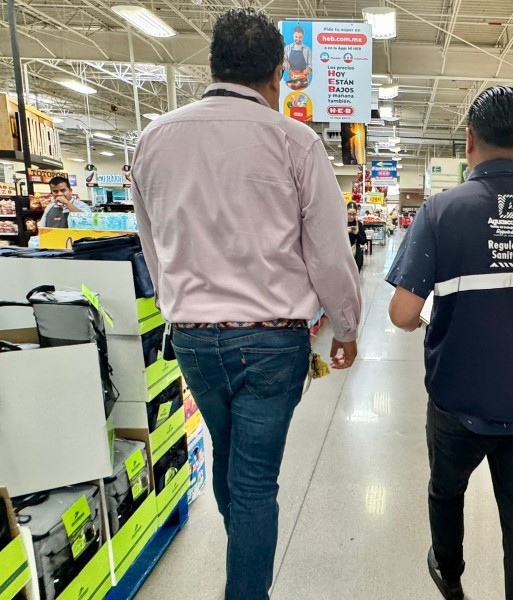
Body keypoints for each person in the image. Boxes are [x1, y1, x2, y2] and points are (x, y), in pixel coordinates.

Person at [130, 9, 361, 600]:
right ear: (278, 74)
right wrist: (345, 325)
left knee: (229, 459)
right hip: (271, 341)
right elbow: (328, 252)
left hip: (193, 339)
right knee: (255, 481)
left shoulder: (154, 139)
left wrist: (176, 301)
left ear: (213, 66)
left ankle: (243, 561)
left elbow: (153, 245)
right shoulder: (295, 141)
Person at [386, 86, 513, 600]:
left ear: (468, 140)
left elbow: (402, 312)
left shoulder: (440, 211)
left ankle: (450, 574)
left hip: (456, 397)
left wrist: (421, 324)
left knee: (446, 491)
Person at [283, 26, 312, 90]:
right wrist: (285, 62)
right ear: (293, 36)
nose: (298, 39)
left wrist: (309, 69)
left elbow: (311, 64)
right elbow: (283, 60)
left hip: (303, 80)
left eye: (300, 37)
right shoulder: (287, 48)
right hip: (291, 79)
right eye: (296, 37)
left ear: (303, 36)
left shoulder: (307, 50)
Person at [347, 203, 367, 271]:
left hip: (356, 256)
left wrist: (357, 233)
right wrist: (344, 232)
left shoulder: (358, 224)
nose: (351, 217)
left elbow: (363, 241)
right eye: (349, 214)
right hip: (342, 256)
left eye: (354, 214)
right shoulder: (341, 224)